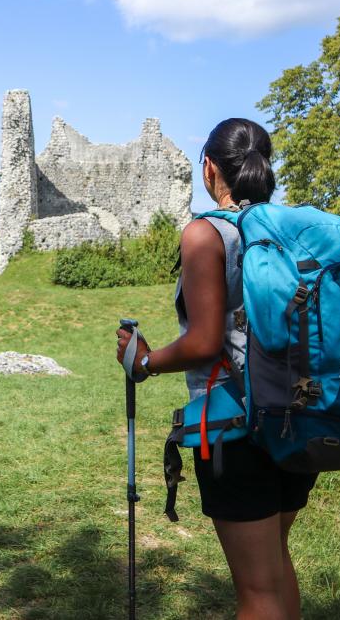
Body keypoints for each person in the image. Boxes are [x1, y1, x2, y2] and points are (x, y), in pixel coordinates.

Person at [116, 118, 317, 620]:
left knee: (257, 589)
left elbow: (205, 343)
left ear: (208, 168)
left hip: (236, 424)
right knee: (274, 565)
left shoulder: (206, 234)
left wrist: (144, 361)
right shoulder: (293, 229)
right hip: (301, 416)